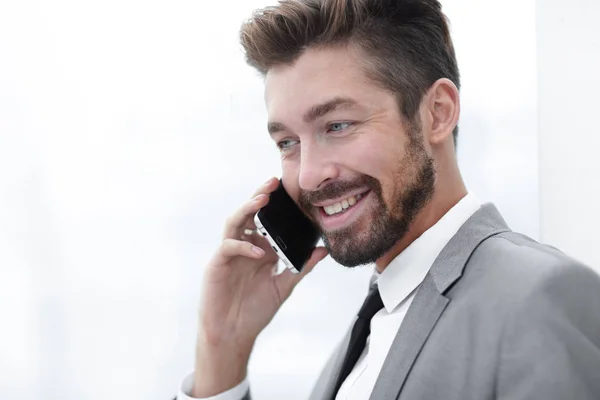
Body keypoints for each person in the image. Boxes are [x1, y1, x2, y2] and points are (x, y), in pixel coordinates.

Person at [176, 0, 600, 399]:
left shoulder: (538, 300)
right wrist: (222, 346)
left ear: (436, 112)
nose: (307, 175)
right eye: (288, 142)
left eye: (337, 125)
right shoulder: (363, 340)